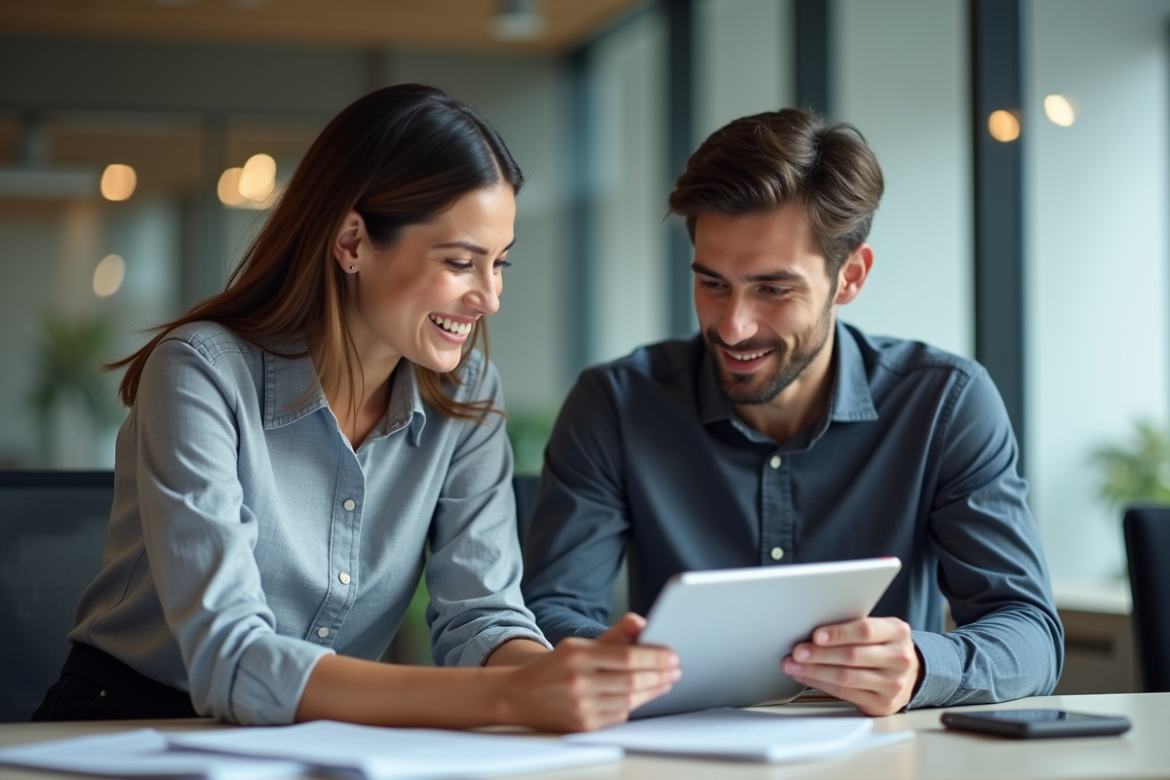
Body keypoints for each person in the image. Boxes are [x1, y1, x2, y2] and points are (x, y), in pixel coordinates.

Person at [32, 84, 678, 731]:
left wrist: (556, 678)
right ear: (352, 242)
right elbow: (232, 657)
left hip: (315, 734)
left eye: (499, 264)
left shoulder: (467, 392)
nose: (489, 298)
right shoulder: (200, 371)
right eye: (461, 262)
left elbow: (483, 616)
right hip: (126, 723)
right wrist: (512, 697)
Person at [522, 107, 1063, 716]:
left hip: (880, 754)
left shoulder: (946, 403)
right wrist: (624, 662)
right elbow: (549, 612)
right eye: (713, 283)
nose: (733, 326)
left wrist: (920, 665)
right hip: (674, 748)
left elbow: (1031, 636)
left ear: (849, 276)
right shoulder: (615, 405)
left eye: (773, 289)